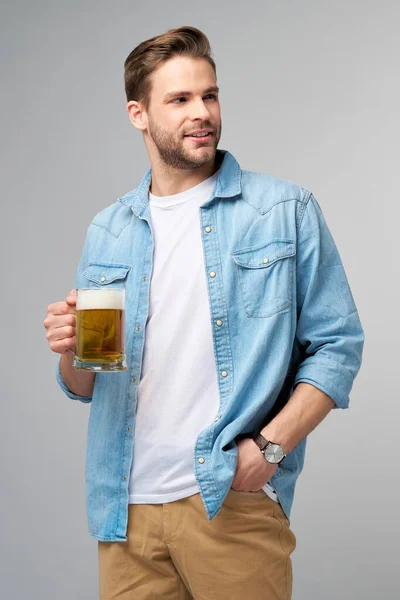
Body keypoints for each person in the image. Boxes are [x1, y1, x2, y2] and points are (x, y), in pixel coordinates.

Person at [44, 25, 364, 600]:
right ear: (138, 114)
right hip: (127, 515)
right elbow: (91, 381)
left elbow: (338, 345)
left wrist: (268, 450)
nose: (203, 113)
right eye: (180, 99)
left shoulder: (282, 210)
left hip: (227, 501)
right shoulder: (109, 232)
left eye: (210, 95)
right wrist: (72, 351)